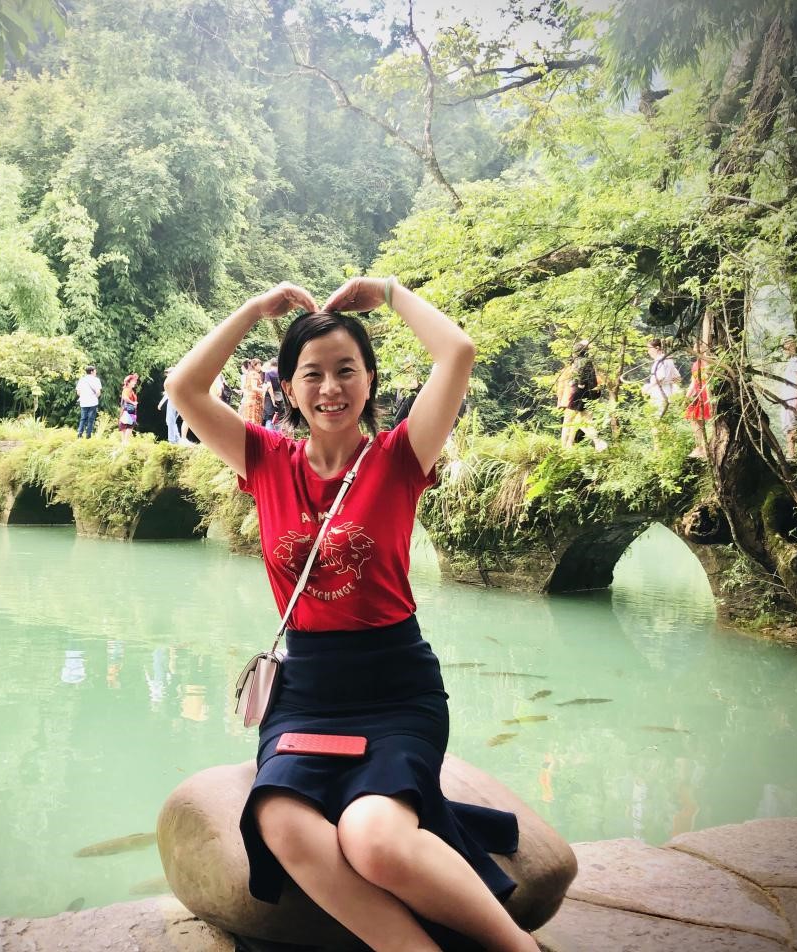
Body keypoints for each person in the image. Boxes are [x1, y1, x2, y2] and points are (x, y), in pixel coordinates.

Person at [166, 278, 540, 952]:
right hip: (306, 692)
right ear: (287, 387)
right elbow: (184, 388)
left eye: (346, 370)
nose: (330, 387)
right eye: (312, 374)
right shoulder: (265, 460)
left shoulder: (400, 456)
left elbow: (457, 352)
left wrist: (390, 292)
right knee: (282, 821)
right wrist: (254, 310)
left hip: (394, 687)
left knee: (375, 841)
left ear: (369, 380)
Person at [557, 341, 607, 450]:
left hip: (576, 394)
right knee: (587, 421)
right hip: (588, 395)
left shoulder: (578, 362)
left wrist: (579, 384)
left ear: (576, 352)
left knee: (568, 421)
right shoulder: (589, 362)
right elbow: (595, 382)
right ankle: (597, 442)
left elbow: (578, 378)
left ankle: (564, 447)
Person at [685, 344, 713, 459]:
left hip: (707, 394)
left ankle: (706, 448)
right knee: (693, 417)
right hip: (698, 394)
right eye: (695, 347)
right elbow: (693, 382)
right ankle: (699, 447)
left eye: (699, 346)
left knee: (707, 419)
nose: (696, 348)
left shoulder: (710, 362)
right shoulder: (695, 365)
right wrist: (686, 397)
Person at [642, 338, 680, 417]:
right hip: (668, 391)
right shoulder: (668, 359)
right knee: (666, 416)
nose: (648, 352)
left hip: (659, 392)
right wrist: (669, 381)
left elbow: (661, 376)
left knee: (658, 416)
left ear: (657, 348)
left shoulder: (659, 360)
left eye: (649, 349)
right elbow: (677, 377)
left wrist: (648, 387)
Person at [75, 366, 102, 438]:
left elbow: (78, 392)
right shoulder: (96, 380)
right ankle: (88, 435)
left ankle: (79, 434)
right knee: (91, 419)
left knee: (83, 418)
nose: (96, 372)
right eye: (95, 371)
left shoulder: (81, 380)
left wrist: (84, 397)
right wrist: (94, 397)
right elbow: (98, 392)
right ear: (92, 371)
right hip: (93, 402)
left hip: (83, 402)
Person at [239, 357, 266, 425]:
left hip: (250, 399)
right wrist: (264, 389)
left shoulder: (250, 373)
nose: (260, 366)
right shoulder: (254, 374)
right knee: (254, 421)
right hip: (254, 400)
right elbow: (254, 388)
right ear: (255, 365)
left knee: (249, 420)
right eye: (259, 365)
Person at [262, 357, 286, 432]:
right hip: (281, 397)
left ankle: (268, 435)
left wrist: (273, 399)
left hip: (269, 398)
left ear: (271, 364)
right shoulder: (282, 374)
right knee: (279, 418)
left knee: (269, 417)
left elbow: (269, 387)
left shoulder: (268, 373)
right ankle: (277, 436)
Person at [159, 369, 182, 443]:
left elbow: (167, 394)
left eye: (168, 373)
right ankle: (177, 438)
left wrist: (160, 404)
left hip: (173, 401)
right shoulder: (177, 380)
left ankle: (172, 440)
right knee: (171, 421)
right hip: (177, 402)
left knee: (170, 421)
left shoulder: (172, 381)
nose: (167, 374)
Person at [119, 373, 140, 444]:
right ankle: (125, 442)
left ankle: (124, 442)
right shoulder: (127, 390)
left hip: (129, 410)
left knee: (127, 426)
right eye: (133, 381)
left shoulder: (130, 390)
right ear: (128, 382)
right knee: (128, 426)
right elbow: (125, 397)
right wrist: (133, 403)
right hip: (128, 410)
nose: (135, 383)